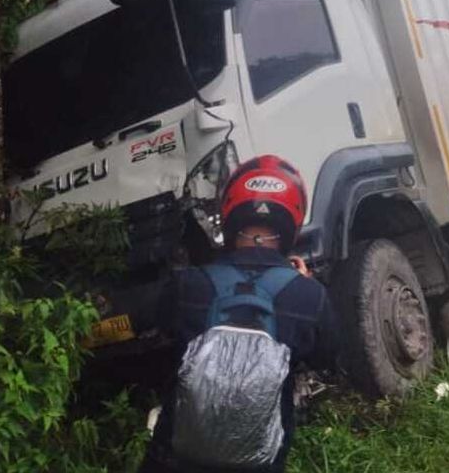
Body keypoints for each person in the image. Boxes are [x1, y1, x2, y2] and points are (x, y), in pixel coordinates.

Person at [140, 155, 341, 473]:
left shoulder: (188, 285)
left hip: (175, 458)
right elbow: (329, 357)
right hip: (259, 462)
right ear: (293, 219)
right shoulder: (309, 296)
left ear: (230, 213)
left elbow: (159, 333)